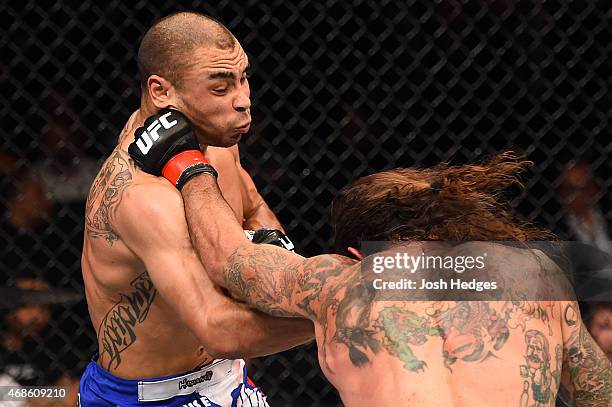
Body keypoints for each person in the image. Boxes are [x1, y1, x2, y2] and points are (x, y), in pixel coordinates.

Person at [128, 123, 612, 406]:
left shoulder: (340, 282)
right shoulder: (537, 273)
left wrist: (184, 161)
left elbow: (227, 257)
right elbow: (597, 392)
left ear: (358, 252)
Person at [79, 11, 313, 407]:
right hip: (149, 398)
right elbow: (216, 326)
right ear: (161, 91)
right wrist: (341, 308)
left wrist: (274, 250)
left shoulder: (217, 139)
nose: (243, 100)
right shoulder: (141, 197)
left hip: (229, 378)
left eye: (244, 78)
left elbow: (252, 206)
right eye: (220, 88)